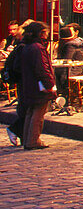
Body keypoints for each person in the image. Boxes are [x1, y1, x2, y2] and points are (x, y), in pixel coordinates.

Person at [18, 21, 55, 150]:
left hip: (29, 84)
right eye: (45, 32)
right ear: (41, 33)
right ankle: (33, 140)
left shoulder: (27, 46)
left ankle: (27, 139)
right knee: (38, 114)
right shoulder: (37, 48)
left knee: (31, 111)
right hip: (38, 86)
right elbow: (42, 68)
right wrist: (49, 84)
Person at [54, 24, 83, 98]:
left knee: (56, 72)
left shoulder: (71, 45)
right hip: (74, 67)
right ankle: (60, 94)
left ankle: (61, 95)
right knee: (56, 71)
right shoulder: (73, 43)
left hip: (76, 68)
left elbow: (66, 59)